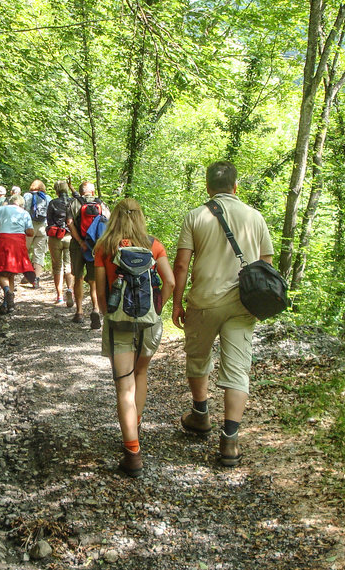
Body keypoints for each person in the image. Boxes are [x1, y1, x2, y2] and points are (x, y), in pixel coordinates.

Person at [172, 162, 274, 467]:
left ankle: (201, 415)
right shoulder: (255, 217)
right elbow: (266, 264)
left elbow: (181, 265)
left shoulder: (196, 216)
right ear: (235, 186)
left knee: (198, 357)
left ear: (207, 187)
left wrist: (176, 303)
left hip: (204, 301)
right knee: (238, 369)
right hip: (243, 304)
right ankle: (230, 440)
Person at [94, 198, 175, 478]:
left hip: (119, 322)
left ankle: (133, 453)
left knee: (123, 385)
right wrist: (158, 307)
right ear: (140, 217)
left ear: (113, 217)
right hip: (149, 321)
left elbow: (101, 291)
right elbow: (171, 282)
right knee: (141, 374)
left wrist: (107, 314)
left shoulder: (104, 247)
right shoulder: (154, 244)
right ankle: (135, 427)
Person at [67, 181, 108, 329]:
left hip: (78, 246)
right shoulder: (101, 204)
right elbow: (107, 224)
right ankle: (95, 308)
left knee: (78, 276)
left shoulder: (73, 203)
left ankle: (79, 312)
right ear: (92, 191)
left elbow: (70, 223)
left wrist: (79, 241)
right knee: (94, 280)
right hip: (95, 247)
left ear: (81, 191)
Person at [0, 194, 36, 313]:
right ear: (22, 204)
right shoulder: (25, 213)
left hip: (3, 240)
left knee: (0, 270)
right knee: (10, 272)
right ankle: (8, 303)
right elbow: (30, 232)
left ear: (10, 202)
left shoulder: (2, 209)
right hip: (18, 241)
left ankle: (7, 293)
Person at [46, 181, 75, 306]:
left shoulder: (53, 203)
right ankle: (70, 290)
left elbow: (49, 221)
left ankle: (59, 296)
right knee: (69, 266)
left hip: (56, 237)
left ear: (56, 190)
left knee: (57, 267)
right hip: (70, 237)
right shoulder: (73, 202)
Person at [23, 180, 50, 288]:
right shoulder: (47, 198)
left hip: (29, 227)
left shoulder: (27, 196)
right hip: (43, 227)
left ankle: (27, 273)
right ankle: (37, 278)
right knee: (39, 253)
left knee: (25, 250)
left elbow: (23, 211)